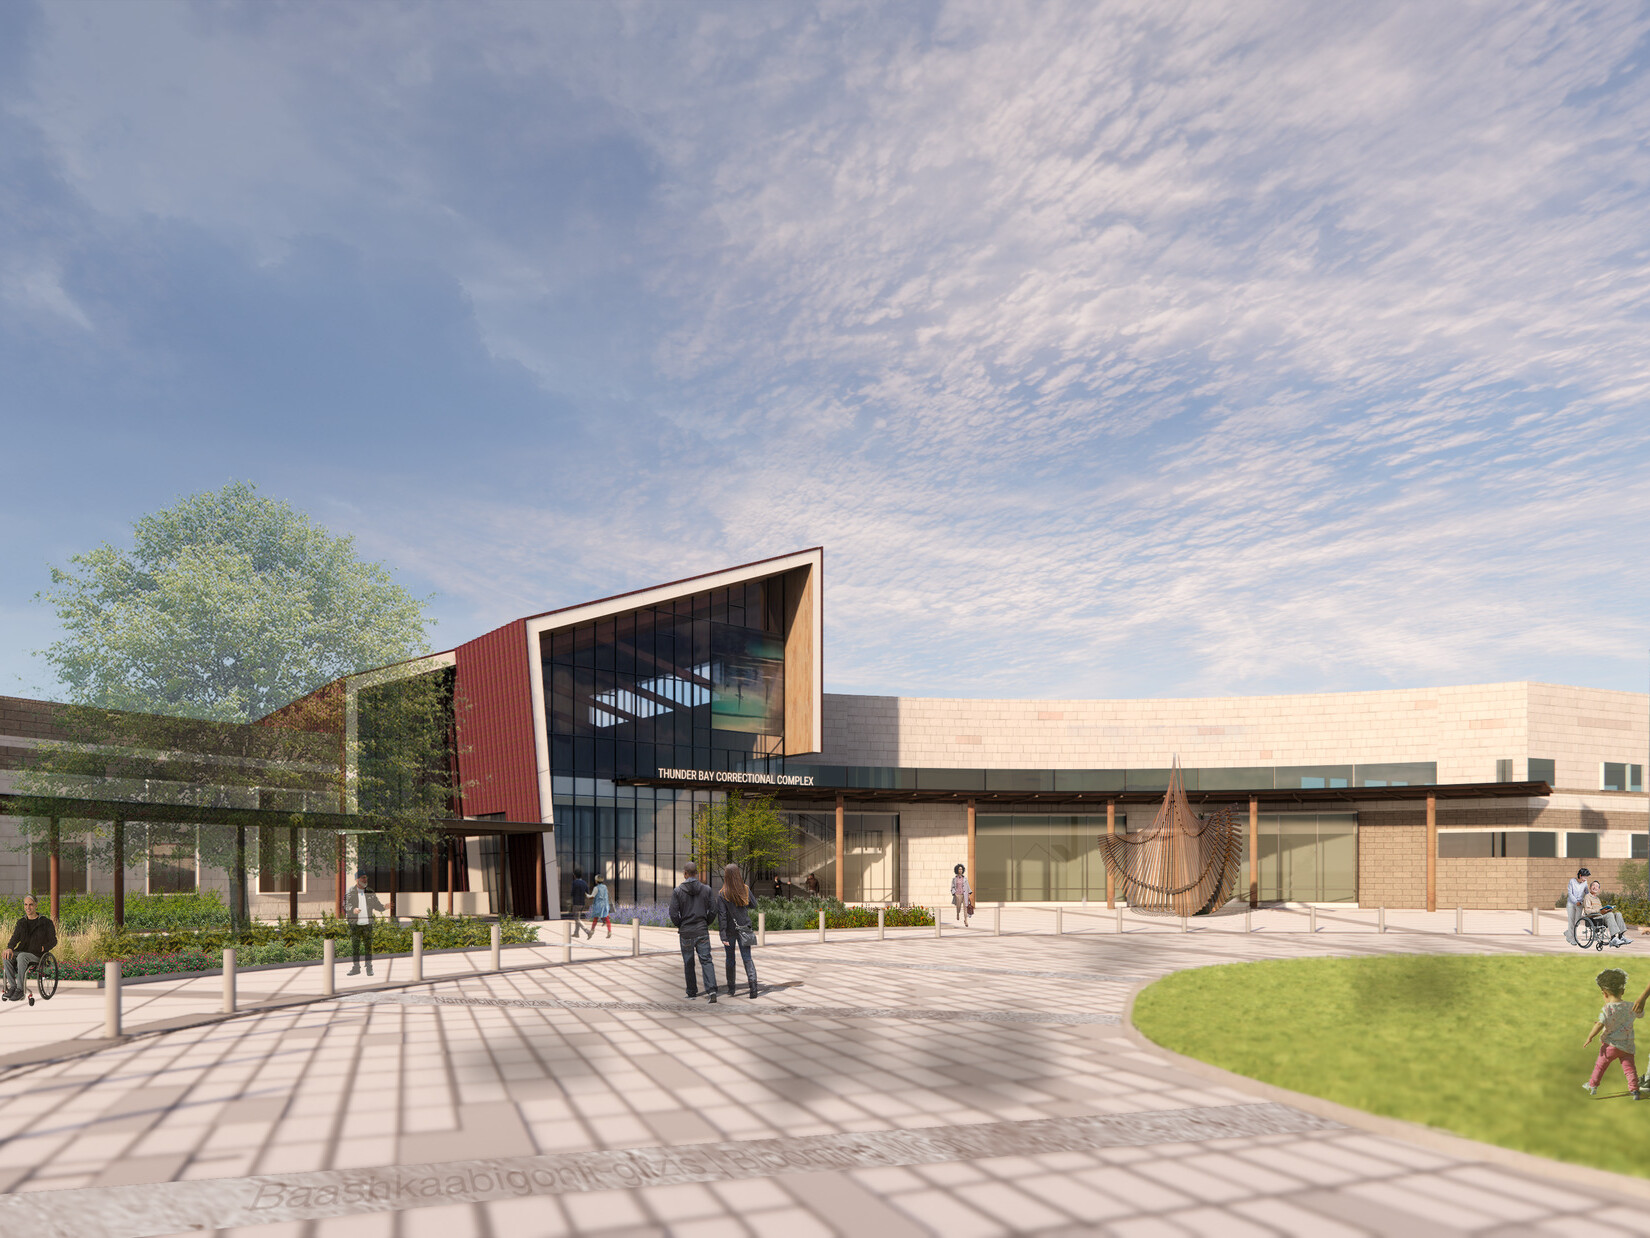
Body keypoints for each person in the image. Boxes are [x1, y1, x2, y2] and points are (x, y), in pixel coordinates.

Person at [1583, 968, 1640, 1098]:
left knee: (1600, 1066)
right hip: (1627, 1046)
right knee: (1630, 1069)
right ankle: (1634, 1090)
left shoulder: (1607, 1009)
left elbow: (1600, 1024)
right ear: (1623, 991)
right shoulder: (1631, 1006)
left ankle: (1593, 1086)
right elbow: (1640, 1013)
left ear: (1604, 993)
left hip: (1610, 1046)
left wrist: (1590, 1037)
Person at [667, 862, 719, 1002]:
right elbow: (713, 910)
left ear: (685, 873)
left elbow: (673, 913)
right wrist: (706, 922)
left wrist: (681, 924)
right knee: (706, 960)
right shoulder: (706, 889)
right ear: (696, 873)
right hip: (701, 930)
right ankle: (712, 990)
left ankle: (691, 992)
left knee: (688, 962)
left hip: (686, 932)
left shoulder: (677, 891)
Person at [715, 862, 759, 999]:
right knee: (747, 958)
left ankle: (731, 988)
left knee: (730, 958)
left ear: (726, 876)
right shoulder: (745, 889)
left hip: (729, 931)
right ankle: (753, 989)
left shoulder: (722, 894)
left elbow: (722, 916)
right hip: (744, 929)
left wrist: (722, 935)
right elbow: (754, 905)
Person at [3, 894, 57, 1002]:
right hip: (22, 952)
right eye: (26, 904)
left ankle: (20, 990)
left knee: (22, 956)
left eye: (31, 905)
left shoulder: (45, 922)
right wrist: (9, 948)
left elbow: (54, 941)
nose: (28, 907)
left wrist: (44, 947)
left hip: (37, 954)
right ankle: (13, 987)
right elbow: (15, 938)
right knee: (6, 956)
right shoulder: (21, 922)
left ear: (36, 905)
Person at [343, 871, 385, 976]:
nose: (365, 880)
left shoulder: (370, 891)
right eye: (363, 878)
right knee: (355, 946)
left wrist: (385, 907)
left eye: (366, 877)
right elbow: (346, 905)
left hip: (367, 924)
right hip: (355, 924)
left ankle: (369, 968)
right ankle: (356, 968)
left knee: (368, 946)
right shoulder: (350, 892)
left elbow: (377, 905)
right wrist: (353, 909)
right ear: (357, 880)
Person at [1583, 880, 1631, 948]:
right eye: (1593, 885)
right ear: (1590, 887)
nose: (1595, 887)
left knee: (1618, 914)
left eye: (1597, 886)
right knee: (1610, 915)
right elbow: (1587, 911)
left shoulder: (1597, 899)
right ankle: (1613, 938)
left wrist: (1606, 910)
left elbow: (1600, 910)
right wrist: (1600, 911)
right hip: (1595, 918)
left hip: (1601, 917)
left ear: (1599, 889)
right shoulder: (1587, 897)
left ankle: (1621, 936)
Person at [1564, 867, 1591, 946]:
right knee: (1571, 921)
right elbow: (1570, 893)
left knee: (1577, 922)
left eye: (1586, 877)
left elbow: (1587, 892)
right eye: (1584, 877)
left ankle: (1568, 932)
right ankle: (1572, 939)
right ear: (1580, 875)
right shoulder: (1572, 881)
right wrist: (1576, 902)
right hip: (1571, 904)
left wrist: (1590, 898)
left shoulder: (1585, 882)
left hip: (1580, 904)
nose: (1585, 879)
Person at [584, 874, 611, 939]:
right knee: (606, 918)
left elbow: (592, 896)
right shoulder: (605, 887)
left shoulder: (596, 888)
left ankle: (592, 931)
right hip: (605, 904)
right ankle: (609, 931)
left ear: (596, 881)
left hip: (598, 905)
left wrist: (586, 895)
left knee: (595, 919)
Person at [951, 863, 973, 927]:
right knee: (958, 907)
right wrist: (954, 893)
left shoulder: (965, 878)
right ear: (957, 870)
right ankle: (957, 913)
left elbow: (967, 886)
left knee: (965, 907)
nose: (960, 870)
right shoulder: (954, 879)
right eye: (959, 869)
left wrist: (969, 892)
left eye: (961, 869)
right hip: (958, 894)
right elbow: (952, 887)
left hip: (964, 894)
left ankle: (966, 921)